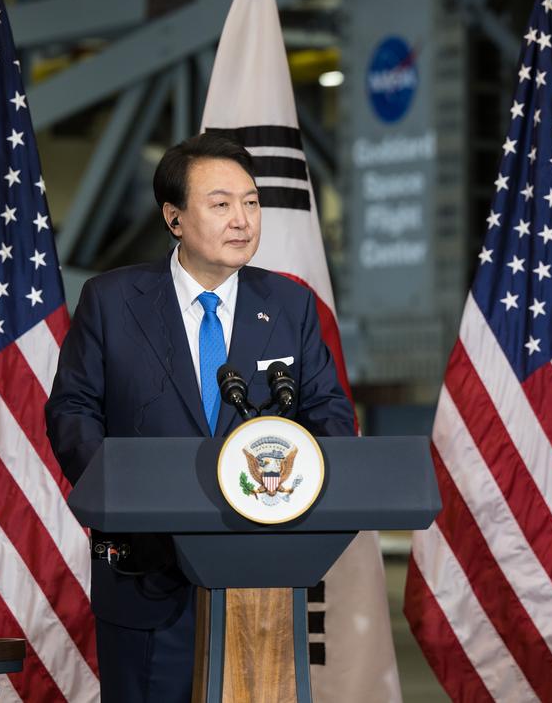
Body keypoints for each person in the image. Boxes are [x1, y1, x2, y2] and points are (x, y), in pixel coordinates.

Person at [45, 132, 355, 703]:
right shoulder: (113, 301)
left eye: (252, 202)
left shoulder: (291, 305)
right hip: (146, 577)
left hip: (260, 578)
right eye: (220, 204)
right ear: (175, 217)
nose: (242, 219)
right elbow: (72, 411)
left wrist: (286, 495)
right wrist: (128, 500)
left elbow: (330, 415)